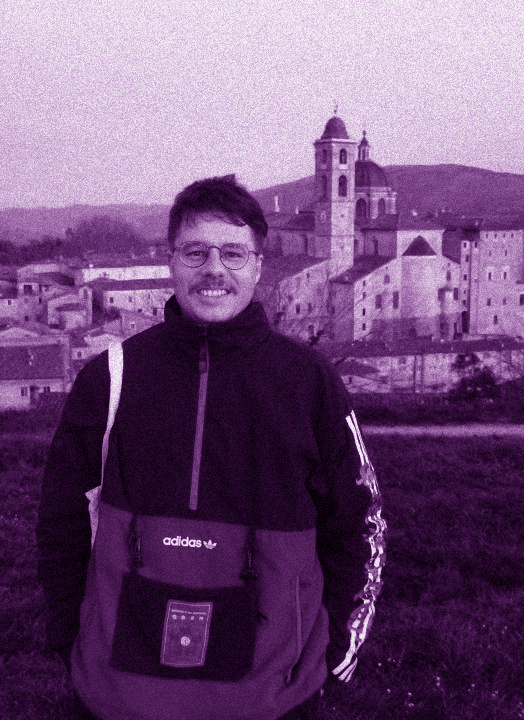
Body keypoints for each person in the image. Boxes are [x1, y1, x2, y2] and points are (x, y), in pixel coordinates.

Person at [37, 175, 386, 720]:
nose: (214, 269)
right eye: (195, 252)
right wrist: (70, 637)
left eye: (233, 253)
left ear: (259, 266)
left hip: (273, 698)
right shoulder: (110, 378)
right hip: (118, 697)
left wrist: (337, 651)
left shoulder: (308, 381)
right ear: (171, 261)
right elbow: (61, 523)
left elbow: (360, 521)